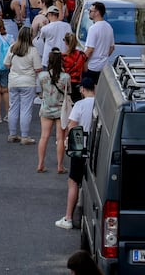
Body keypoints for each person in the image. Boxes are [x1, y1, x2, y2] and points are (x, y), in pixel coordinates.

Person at [56, 77, 96, 230]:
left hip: (80, 149)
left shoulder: (80, 104)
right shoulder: (102, 104)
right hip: (96, 150)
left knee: (73, 182)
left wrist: (66, 141)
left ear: (82, 89)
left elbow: (72, 126)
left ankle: (68, 218)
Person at [4, 25, 41, 145]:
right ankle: (25, 136)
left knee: (13, 107)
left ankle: (12, 134)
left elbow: (6, 64)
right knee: (26, 109)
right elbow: (38, 68)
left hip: (13, 81)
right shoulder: (33, 50)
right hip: (28, 82)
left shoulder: (12, 48)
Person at [36, 49, 71, 174]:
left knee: (44, 137)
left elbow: (40, 91)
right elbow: (69, 92)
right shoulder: (66, 77)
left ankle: (40, 164)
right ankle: (60, 166)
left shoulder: (42, 76)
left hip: (46, 108)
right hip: (60, 110)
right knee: (60, 138)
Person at [82, 1, 114, 83]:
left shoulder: (93, 28)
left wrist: (82, 61)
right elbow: (112, 48)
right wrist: (103, 56)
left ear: (97, 13)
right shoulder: (109, 27)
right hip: (104, 66)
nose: (89, 13)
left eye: (90, 11)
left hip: (92, 66)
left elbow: (90, 49)